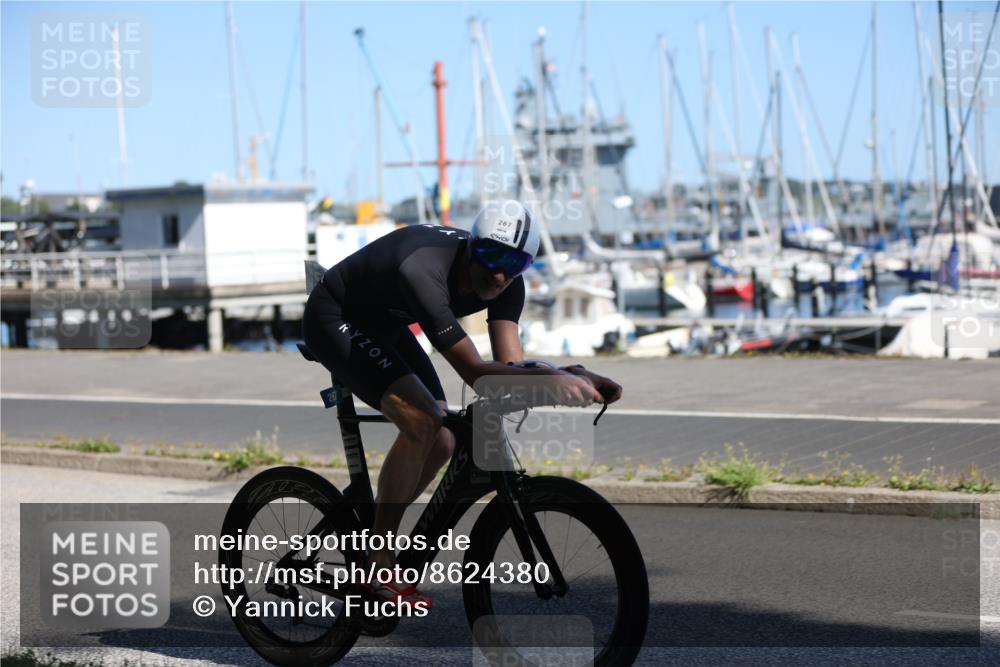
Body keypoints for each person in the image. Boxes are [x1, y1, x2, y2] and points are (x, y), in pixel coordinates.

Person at [301, 199, 622, 607]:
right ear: (472, 245)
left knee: (444, 441)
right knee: (423, 420)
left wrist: (574, 373)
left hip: (386, 325)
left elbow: (509, 368)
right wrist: (555, 380)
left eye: (515, 264)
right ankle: (378, 565)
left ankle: (375, 529)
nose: (500, 273)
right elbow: (475, 372)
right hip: (335, 318)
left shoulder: (508, 284)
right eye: (491, 255)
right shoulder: (423, 270)